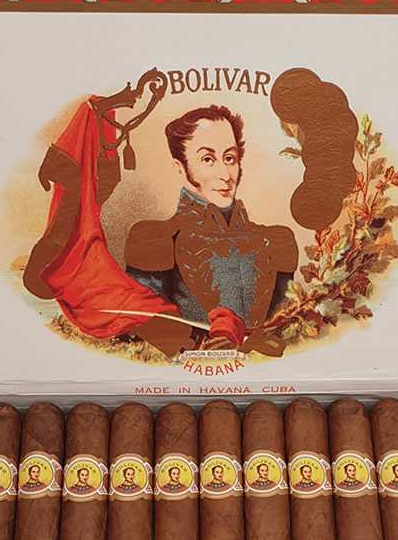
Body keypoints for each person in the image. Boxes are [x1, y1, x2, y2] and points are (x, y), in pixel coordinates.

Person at [124, 105, 298, 354]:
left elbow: (290, 334)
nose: (225, 174)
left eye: (230, 158)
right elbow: (148, 340)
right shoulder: (156, 239)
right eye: (208, 159)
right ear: (180, 167)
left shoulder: (276, 240)